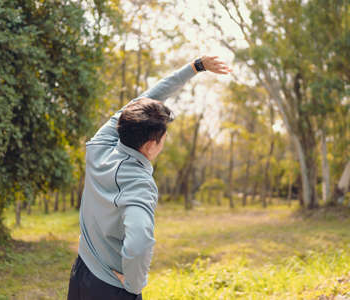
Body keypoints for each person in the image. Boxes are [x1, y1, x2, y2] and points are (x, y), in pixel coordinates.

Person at [67, 56, 231, 300]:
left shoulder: (100, 147)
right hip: (111, 289)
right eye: (164, 137)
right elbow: (139, 243)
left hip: (81, 273)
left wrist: (195, 67)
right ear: (152, 145)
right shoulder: (139, 185)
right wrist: (134, 285)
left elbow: (141, 102)